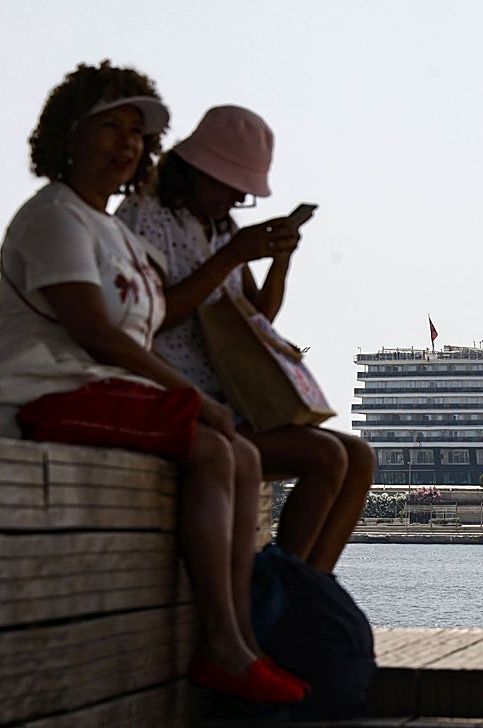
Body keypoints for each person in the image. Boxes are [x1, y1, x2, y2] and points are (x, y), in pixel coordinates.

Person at [0, 63, 303, 705]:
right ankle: (223, 645)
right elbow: (97, 334)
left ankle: (242, 641)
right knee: (214, 446)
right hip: (34, 389)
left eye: (137, 130)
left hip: (94, 387)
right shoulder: (54, 218)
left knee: (239, 452)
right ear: (68, 134)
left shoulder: (115, 234)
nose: (127, 142)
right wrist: (194, 400)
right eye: (110, 126)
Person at [116, 105, 374, 579]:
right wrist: (232, 256)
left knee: (359, 458)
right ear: (196, 170)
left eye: (242, 192)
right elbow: (148, 317)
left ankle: (308, 587)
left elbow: (259, 319)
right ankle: (282, 588)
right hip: (175, 401)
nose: (235, 198)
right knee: (325, 456)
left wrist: (279, 261)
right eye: (228, 186)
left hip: (229, 403)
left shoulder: (222, 229)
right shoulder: (146, 218)